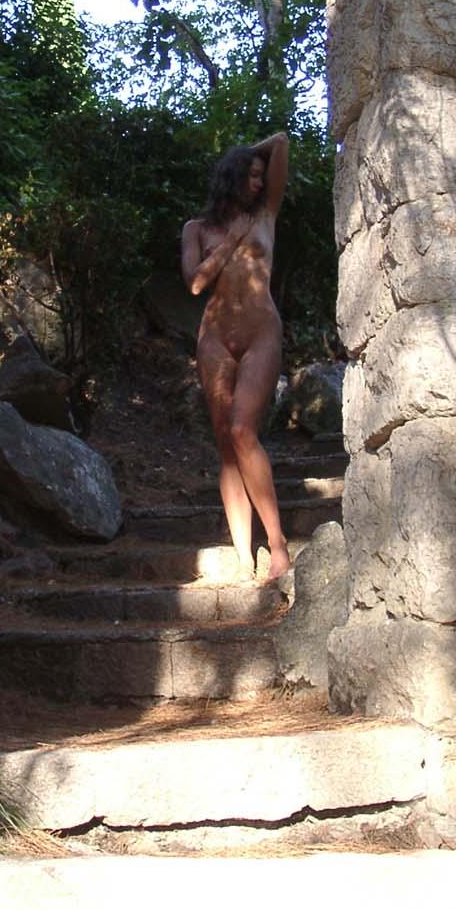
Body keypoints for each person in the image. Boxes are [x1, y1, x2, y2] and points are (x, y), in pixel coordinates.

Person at [181, 133, 291, 585]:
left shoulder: (266, 213)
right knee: (226, 443)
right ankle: (245, 558)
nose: (258, 183)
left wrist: (249, 155)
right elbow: (194, 283)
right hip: (214, 338)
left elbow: (281, 142)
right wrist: (230, 242)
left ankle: (279, 547)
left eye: (261, 177)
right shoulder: (197, 229)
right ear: (231, 178)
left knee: (244, 429)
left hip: (261, 330)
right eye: (250, 175)